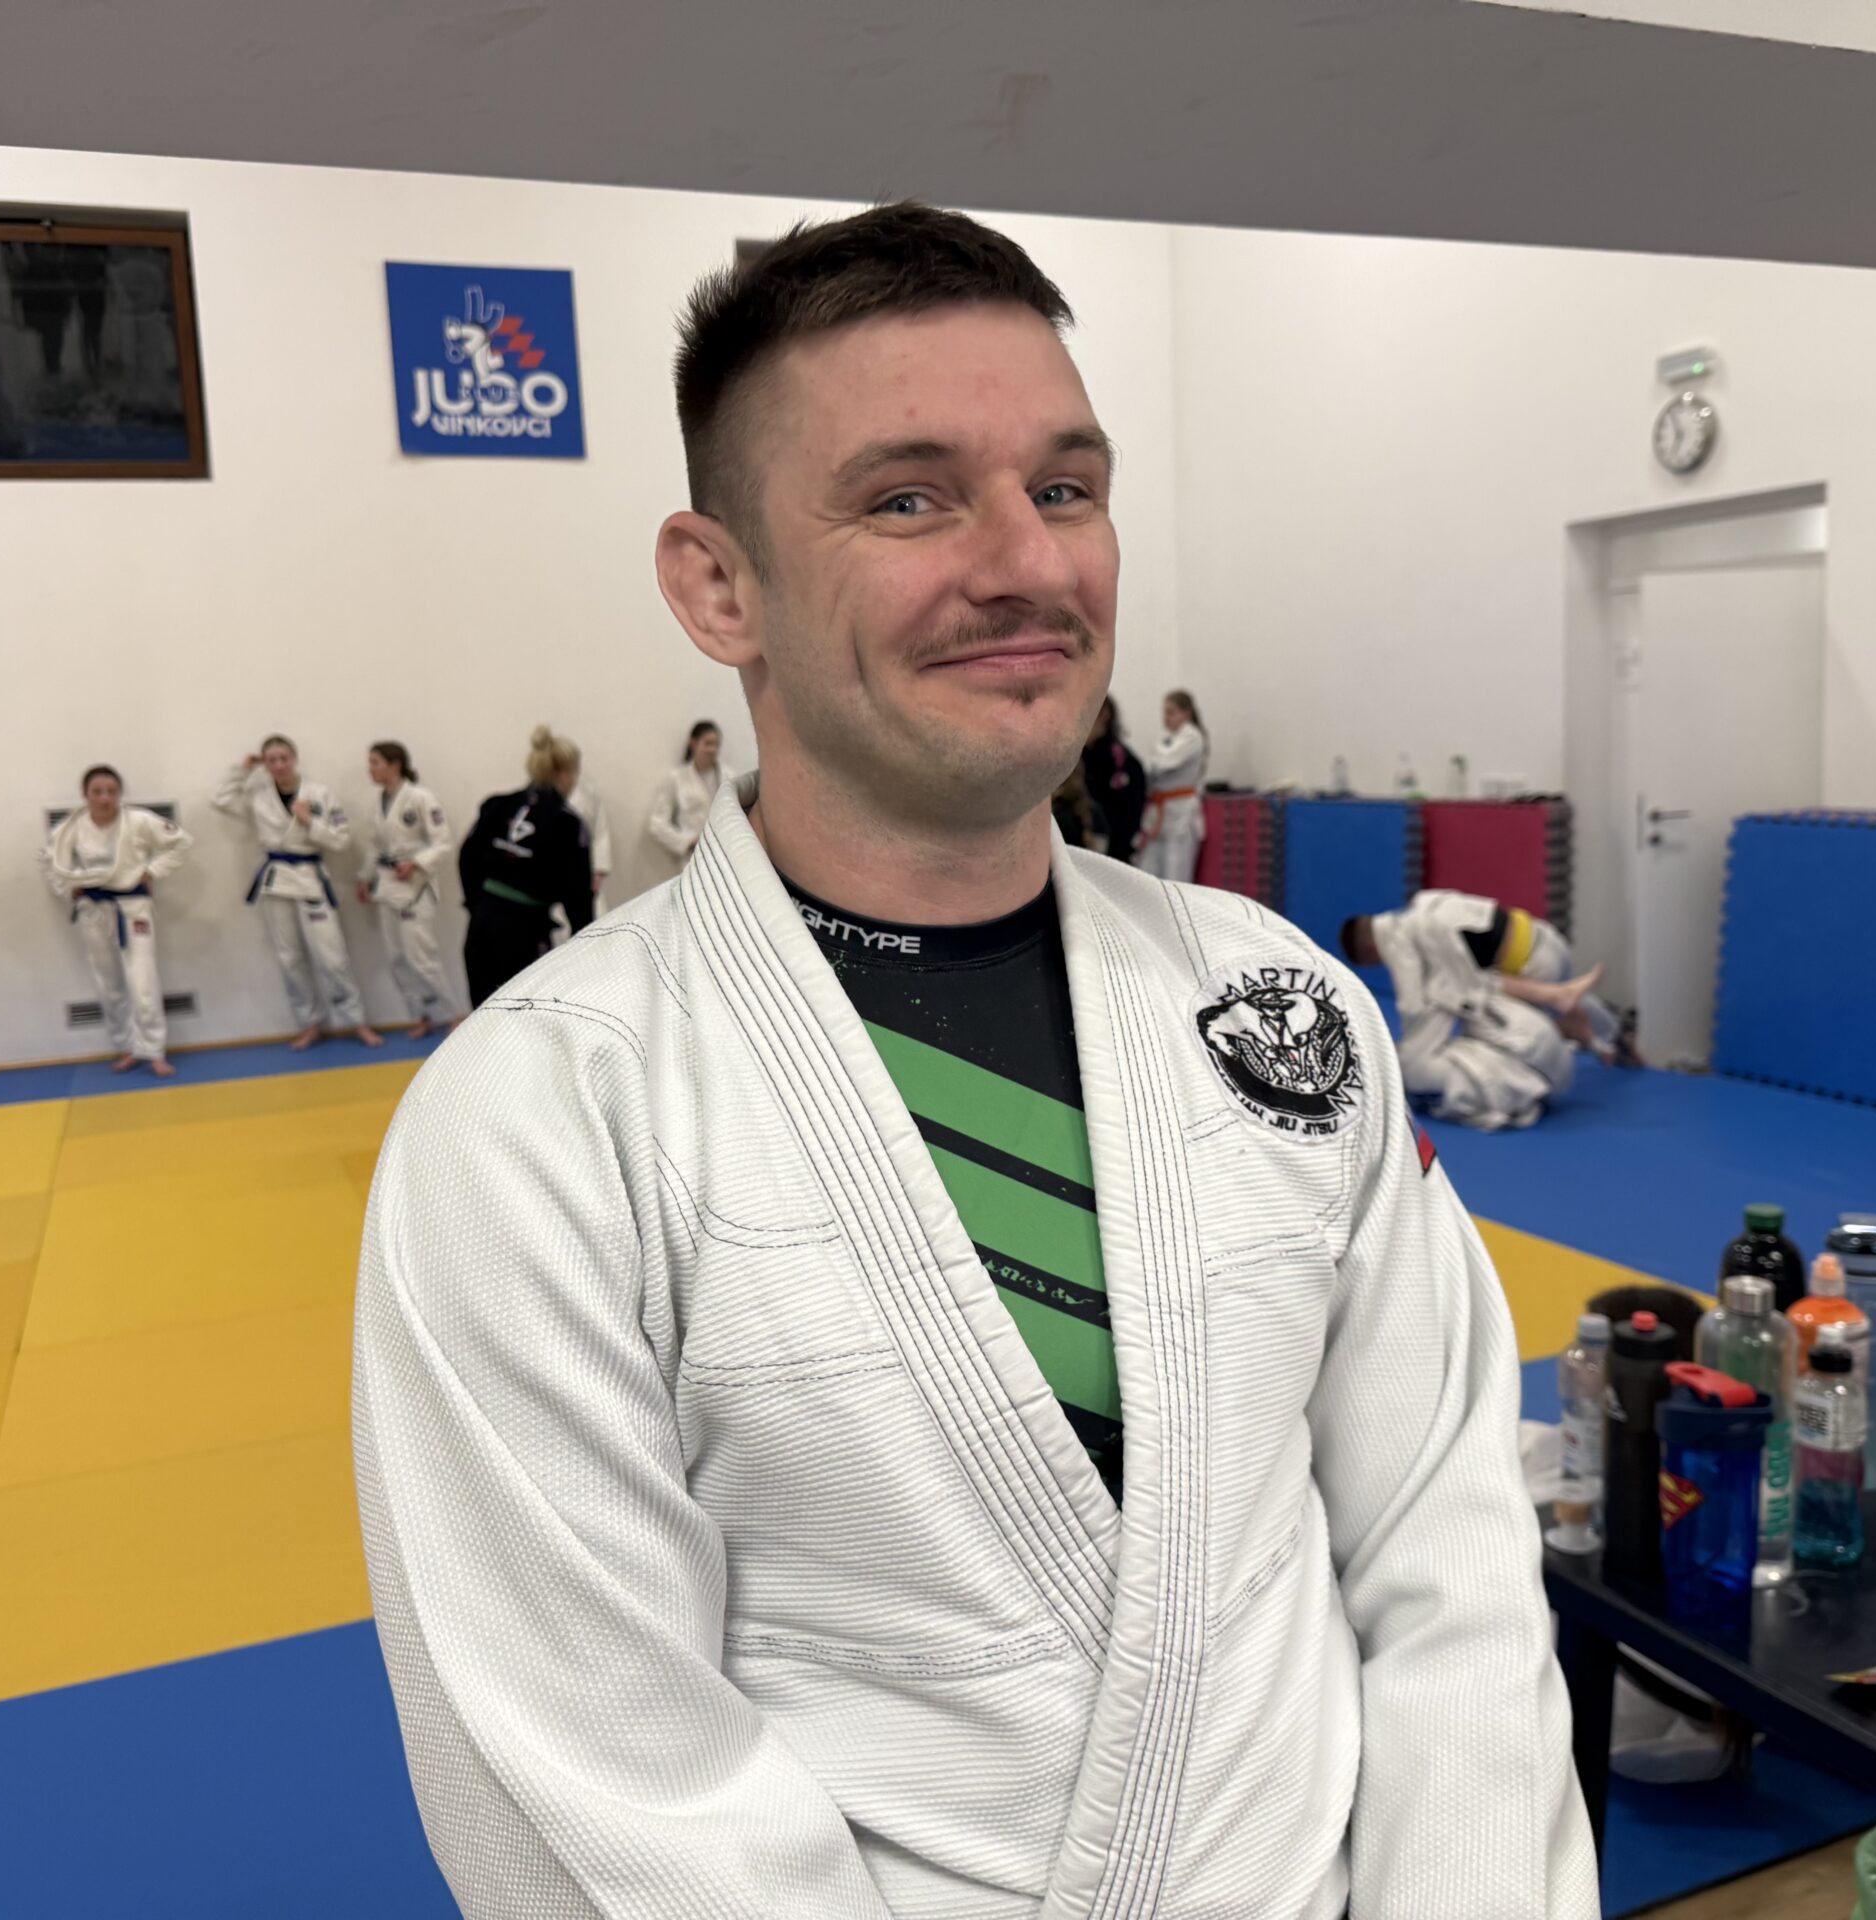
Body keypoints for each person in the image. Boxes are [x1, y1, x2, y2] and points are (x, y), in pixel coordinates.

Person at [353, 203, 1593, 1919]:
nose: (1028, 563)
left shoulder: (1280, 1008)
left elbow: (1448, 1556)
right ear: (719, 586)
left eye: (1066, 488)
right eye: (908, 498)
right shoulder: (541, 1119)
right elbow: (600, 1777)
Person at [1343, 889, 1624, 1133]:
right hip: (1545, 939)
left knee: (1475, 995)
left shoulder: (1396, 941)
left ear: (1369, 950)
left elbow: (1414, 1004)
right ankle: (1610, 1034)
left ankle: (1569, 1018)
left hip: (1533, 968)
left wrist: (1409, 1049)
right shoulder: (1426, 904)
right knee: (1480, 986)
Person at [215, 735, 381, 1051]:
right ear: (265, 764)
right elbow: (221, 800)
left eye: (283, 758)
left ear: (294, 759)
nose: (278, 765)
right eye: (271, 760)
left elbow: (341, 840)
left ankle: (357, 1020)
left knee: (332, 957)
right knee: (290, 958)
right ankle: (310, 1022)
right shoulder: (258, 795)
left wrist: (310, 822)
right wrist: (242, 770)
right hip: (277, 881)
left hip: (310, 878)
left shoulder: (319, 794)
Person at [43, 764, 192, 1077]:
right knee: (108, 981)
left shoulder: (139, 820)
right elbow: (50, 862)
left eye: (111, 791)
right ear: (85, 794)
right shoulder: (70, 827)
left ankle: (154, 1049)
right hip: (94, 910)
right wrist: (69, 888)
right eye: (97, 792)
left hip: (133, 907)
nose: (104, 798)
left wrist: (153, 871)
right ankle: (127, 1046)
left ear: (120, 793)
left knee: (143, 981)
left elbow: (180, 842)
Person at [456, 725, 595, 1004]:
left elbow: (466, 858)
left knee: (484, 1013)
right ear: (564, 774)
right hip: (524, 933)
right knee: (523, 1016)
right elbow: (578, 894)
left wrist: (477, 906)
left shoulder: (497, 805)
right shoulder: (567, 823)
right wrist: (586, 943)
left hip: (481, 927)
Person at [356, 741, 463, 1034]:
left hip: (415, 886)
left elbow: (443, 842)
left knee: (421, 956)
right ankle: (423, 1015)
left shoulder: (421, 798)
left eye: (375, 762)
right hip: (387, 884)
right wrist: (364, 878)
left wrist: (416, 863)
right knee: (396, 957)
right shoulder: (377, 802)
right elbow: (375, 846)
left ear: (395, 765)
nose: (370, 769)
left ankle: (454, 1015)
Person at [1137, 687, 1207, 883]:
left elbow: (1164, 763)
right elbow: (1153, 765)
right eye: (1164, 712)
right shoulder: (1166, 738)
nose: (1166, 718)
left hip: (1180, 813)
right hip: (1159, 812)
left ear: (1186, 714)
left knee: (1175, 876)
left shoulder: (1192, 736)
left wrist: (1153, 759)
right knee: (1147, 872)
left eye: (1171, 712)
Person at [645, 719, 723, 866]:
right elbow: (657, 823)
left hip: (724, 854)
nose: (712, 750)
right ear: (693, 743)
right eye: (708, 744)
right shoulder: (677, 779)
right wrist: (688, 841)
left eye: (716, 745)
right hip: (692, 858)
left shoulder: (728, 778)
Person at [1080, 692, 1147, 861]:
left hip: (1110, 851)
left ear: (1104, 715)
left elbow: (1130, 815)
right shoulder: (1076, 757)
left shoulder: (1122, 761)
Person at [561, 746, 615, 916]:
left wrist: (599, 869)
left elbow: (600, 832)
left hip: (585, 871)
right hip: (554, 872)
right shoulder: (542, 795)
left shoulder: (589, 794)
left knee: (594, 920)